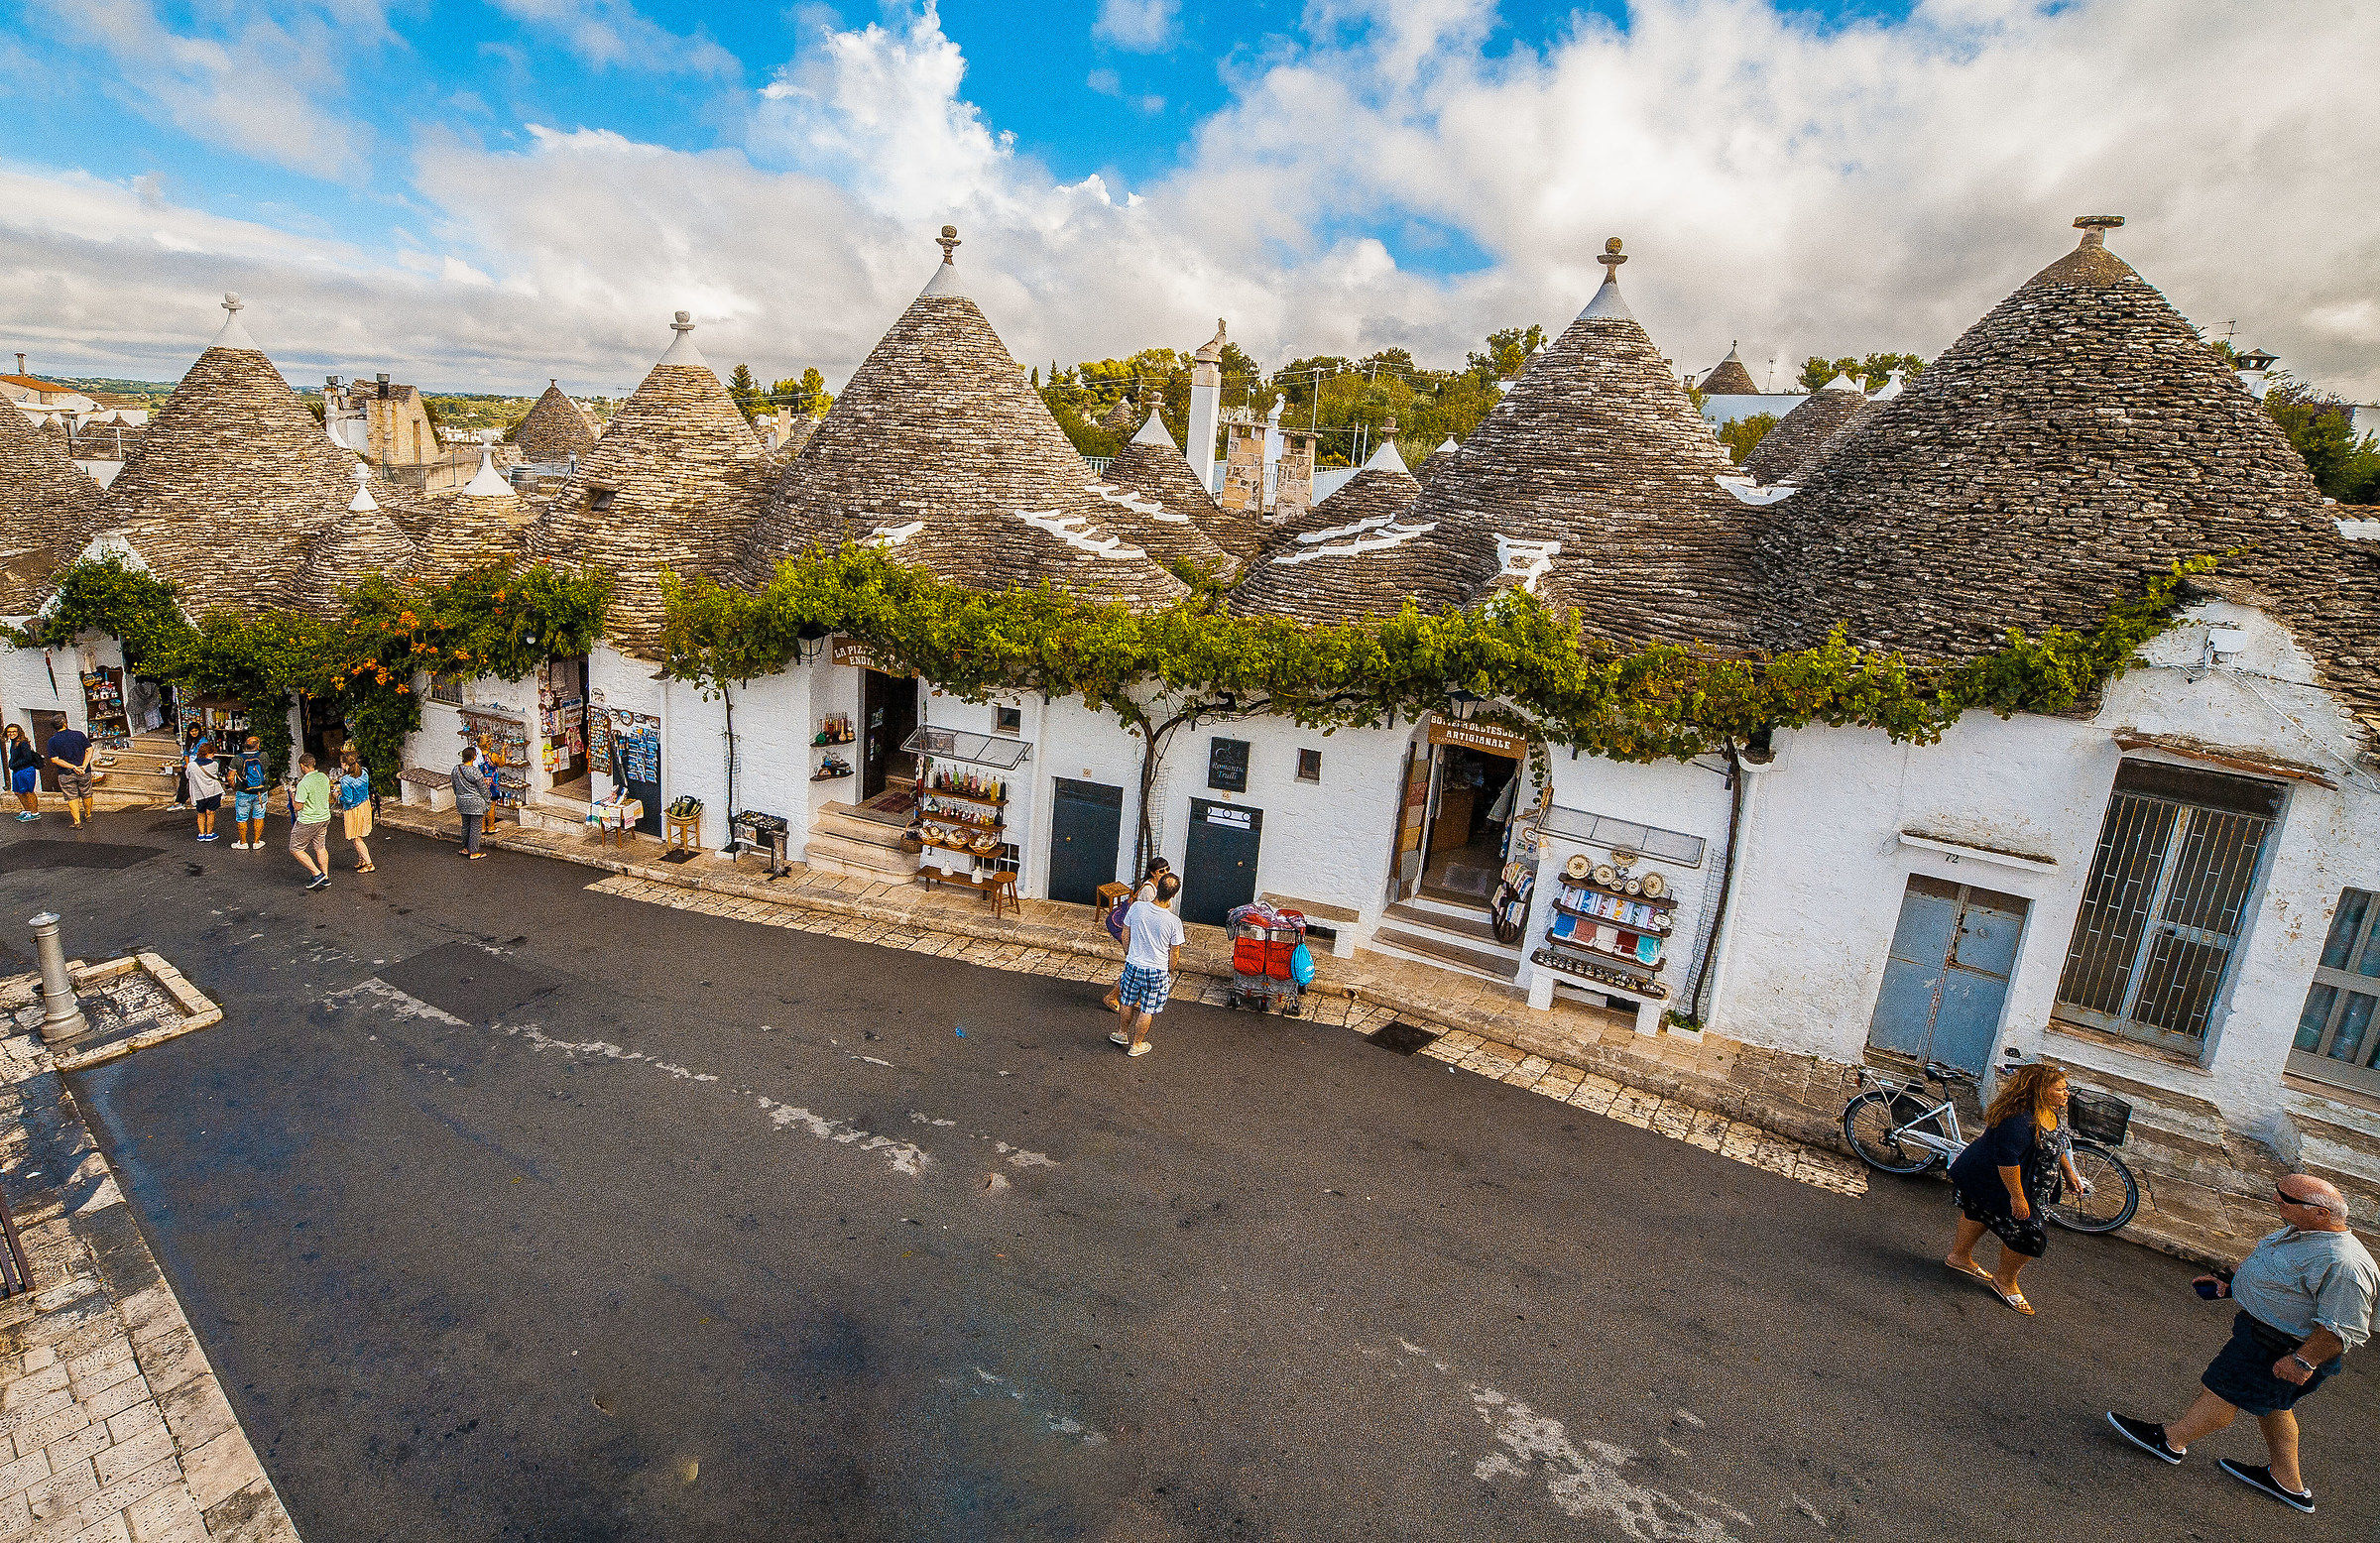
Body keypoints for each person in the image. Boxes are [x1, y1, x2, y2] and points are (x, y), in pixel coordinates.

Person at [2106, 1175, 2376, 1514]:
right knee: (2275, 1408)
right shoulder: (2303, 1231)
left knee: (2222, 1391)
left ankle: (2170, 1441)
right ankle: (2287, 1482)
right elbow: (2276, 1273)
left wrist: (2302, 1362)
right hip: (2266, 1335)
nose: (2276, 1201)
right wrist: (2230, 1280)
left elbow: (2340, 1331)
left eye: (2285, 1199)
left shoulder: (2346, 1265)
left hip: (2281, 1345)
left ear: (2321, 1213)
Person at [1943, 1062, 2087, 1316]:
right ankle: (2005, 1281)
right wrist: (2018, 1199)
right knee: (2029, 1237)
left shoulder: (2050, 1111)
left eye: (2066, 1089)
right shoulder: (2019, 1120)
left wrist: (2069, 1172)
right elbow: (2008, 1163)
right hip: (1997, 1183)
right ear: (2041, 1091)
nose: (2067, 1094)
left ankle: (1959, 1257)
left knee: (1979, 1214)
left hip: (2020, 1185)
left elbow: (2057, 1142)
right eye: (2060, 1089)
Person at [1110, 872, 1184, 1058]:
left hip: (1134, 965)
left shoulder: (1136, 908)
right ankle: (1137, 1044)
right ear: (1174, 895)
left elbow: (1125, 934)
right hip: (1156, 970)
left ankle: (1121, 1033)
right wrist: (1169, 970)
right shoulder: (1174, 922)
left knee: (1126, 1001)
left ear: (1157, 889)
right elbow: (1174, 953)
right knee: (1147, 1008)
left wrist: (1129, 954)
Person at [1104, 858, 1173, 1012]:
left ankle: (1131, 998)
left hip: (1144, 934)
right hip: (1139, 935)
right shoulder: (1149, 890)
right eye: (1161, 871)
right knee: (1135, 968)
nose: (1166, 873)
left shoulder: (1159, 888)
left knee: (1138, 969)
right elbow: (1152, 916)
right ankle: (1112, 996)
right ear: (1153, 873)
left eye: (1167, 869)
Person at [287, 753, 333, 890]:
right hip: (324, 817)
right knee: (320, 847)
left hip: (308, 820)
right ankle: (325, 876)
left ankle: (317, 874)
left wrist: (292, 794)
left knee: (295, 848)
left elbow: (298, 806)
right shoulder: (324, 777)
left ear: (302, 766)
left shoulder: (304, 783)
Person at [44, 721, 95, 828]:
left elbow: (55, 760)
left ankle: (77, 821)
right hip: (84, 771)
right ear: (65, 723)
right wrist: (84, 766)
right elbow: (89, 750)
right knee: (86, 793)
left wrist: (72, 767)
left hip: (66, 773)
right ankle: (88, 815)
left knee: (71, 796)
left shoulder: (52, 741)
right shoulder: (79, 734)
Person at [336, 750, 376, 873]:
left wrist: (337, 796)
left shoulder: (345, 780)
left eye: (342, 763)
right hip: (364, 805)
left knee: (356, 838)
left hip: (354, 810)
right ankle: (362, 859)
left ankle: (369, 864)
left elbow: (348, 799)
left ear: (346, 765)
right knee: (359, 836)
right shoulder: (364, 772)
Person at [452, 745, 492, 859]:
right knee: (475, 827)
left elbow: (454, 786)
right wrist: (488, 800)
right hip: (476, 803)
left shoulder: (456, 769)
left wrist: (460, 796)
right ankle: (474, 852)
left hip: (462, 801)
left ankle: (465, 848)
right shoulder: (475, 772)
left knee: (465, 825)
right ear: (474, 757)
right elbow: (483, 789)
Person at [183, 732, 224, 842]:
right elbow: (215, 774)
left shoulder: (191, 765)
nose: (213, 755)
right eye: (212, 753)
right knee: (210, 813)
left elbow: (188, 776)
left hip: (198, 793)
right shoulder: (214, 764)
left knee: (200, 813)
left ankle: (201, 834)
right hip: (212, 792)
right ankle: (209, 833)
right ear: (209, 754)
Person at [232, 735, 270, 850]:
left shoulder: (237, 758)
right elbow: (266, 769)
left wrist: (235, 787)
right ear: (258, 745)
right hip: (260, 791)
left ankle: (243, 842)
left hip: (244, 791)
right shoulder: (264, 756)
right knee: (259, 816)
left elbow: (230, 776)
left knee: (242, 817)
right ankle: (257, 842)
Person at [5, 726, 40, 821]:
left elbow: (27, 758)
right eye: (9, 732)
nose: (11, 733)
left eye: (13, 731)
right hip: (17, 771)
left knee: (28, 792)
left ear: (18, 732)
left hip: (25, 770)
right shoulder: (14, 743)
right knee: (18, 792)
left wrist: (14, 764)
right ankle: (27, 811)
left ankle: (34, 813)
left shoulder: (23, 743)